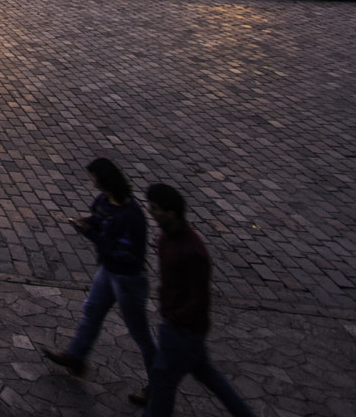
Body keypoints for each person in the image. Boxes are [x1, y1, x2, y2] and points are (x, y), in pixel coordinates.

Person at [140, 183, 256, 416]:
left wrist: (174, 316)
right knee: (206, 374)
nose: (151, 213)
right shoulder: (166, 237)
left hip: (183, 329)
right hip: (177, 324)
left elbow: (199, 300)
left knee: (163, 381)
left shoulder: (193, 252)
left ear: (171, 212)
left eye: (155, 209)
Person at [43, 157, 157, 384]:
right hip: (108, 271)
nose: (94, 185)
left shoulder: (130, 216)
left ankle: (158, 381)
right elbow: (98, 220)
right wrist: (87, 222)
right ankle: (76, 355)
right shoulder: (105, 202)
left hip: (127, 279)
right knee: (92, 310)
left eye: (96, 180)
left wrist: (91, 233)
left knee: (139, 332)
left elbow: (123, 252)